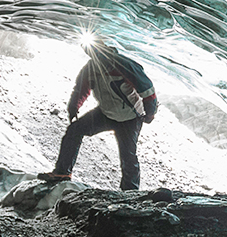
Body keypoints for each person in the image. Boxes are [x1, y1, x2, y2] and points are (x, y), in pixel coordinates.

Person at [38, 36, 157, 190]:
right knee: (74, 130)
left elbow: (147, 90)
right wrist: (73, 107)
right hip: (105, 114)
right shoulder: (90, 68)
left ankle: (130, 192)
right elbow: (81, 89)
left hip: (130, 117)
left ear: (102, 47)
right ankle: (62, 172)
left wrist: (150, 113)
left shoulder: (124, 64)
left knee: (128, 155)